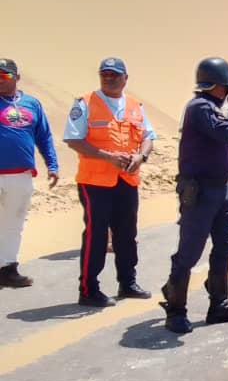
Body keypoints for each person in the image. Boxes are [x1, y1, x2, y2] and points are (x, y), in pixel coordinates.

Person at [160, 57, 228, 334]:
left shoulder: (212, 107)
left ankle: (218, 305)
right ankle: (175, 309)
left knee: (226, 245)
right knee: (189, 252)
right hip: (199, 190)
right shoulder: (200, 107)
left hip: (221, 189)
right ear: (220, 85)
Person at [64, 58, 156, 307]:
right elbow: (73, 139)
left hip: (127, 179)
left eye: (115, 75)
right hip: (95, 181)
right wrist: (108, 157)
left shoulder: (136, 105)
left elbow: (148, 136)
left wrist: (141, 156)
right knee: (96, 235)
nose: (109, 78)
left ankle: (127, 283)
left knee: (127, 233)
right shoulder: (85, 103)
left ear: (125, 78)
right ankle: (88, 289)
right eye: (104, 74)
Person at [0, 58, 59, 288]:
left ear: (16, 77)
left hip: (21, 175)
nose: (0, 81)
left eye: (5, 76)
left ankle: (7, 269)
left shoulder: (32, 104)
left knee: (14, 222)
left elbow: (44, 136)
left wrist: (52, 165)